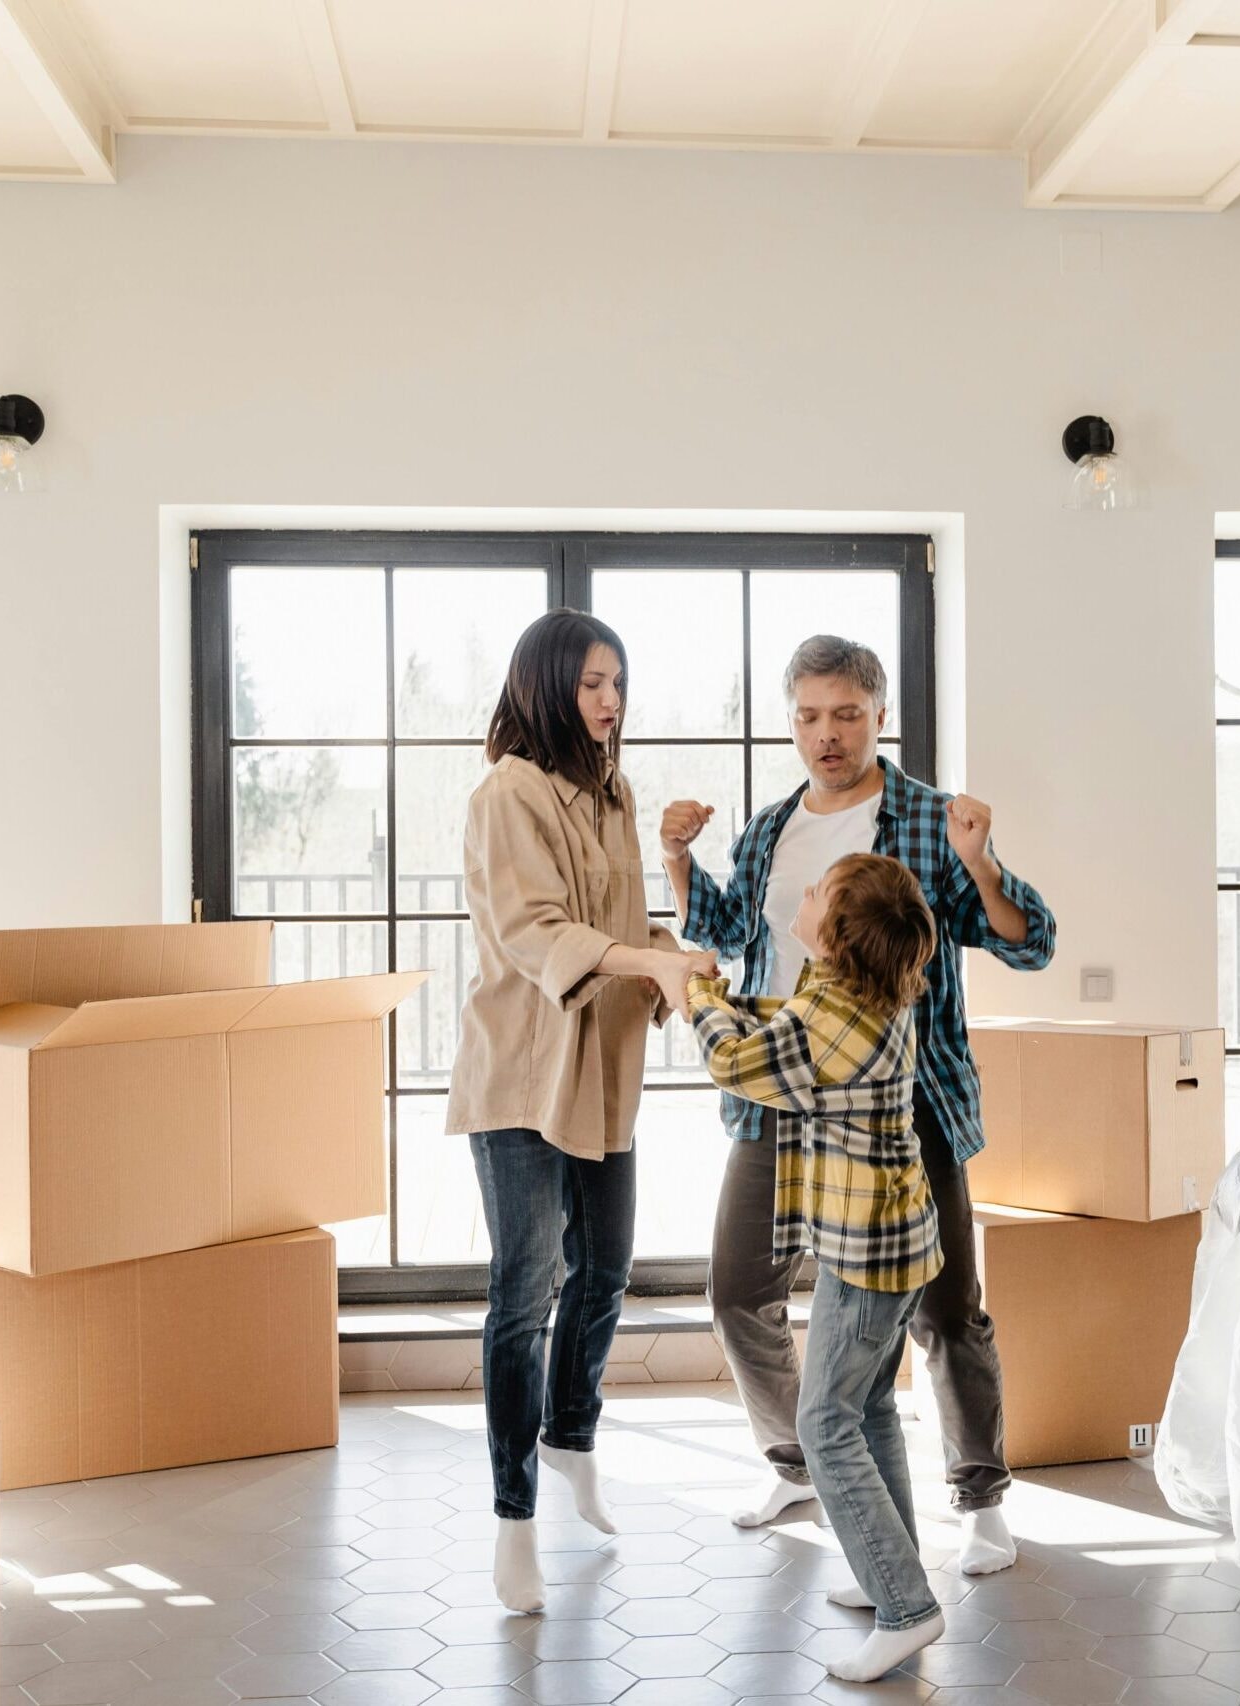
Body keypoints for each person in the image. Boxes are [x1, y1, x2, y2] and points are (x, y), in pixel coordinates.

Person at [662, 634, 1056, 1577]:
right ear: (791, 722)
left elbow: (1028, 942)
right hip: (787, 1099)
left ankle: (978, 1493)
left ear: (880, 716)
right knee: (737, 1290)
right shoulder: (769, 828)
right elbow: (723, 930)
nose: (826, 735)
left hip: (904, 1106)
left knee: (948, 1307)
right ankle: (801, 1460)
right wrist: (676, 856)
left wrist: (983, 865)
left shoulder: (929, 821)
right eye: (807, 716)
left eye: (845, 714)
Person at [446, 608, 713, 1615]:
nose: (610, 701)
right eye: (593, 683)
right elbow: (532, 930)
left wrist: (670, 949)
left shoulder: (613, 793)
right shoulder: (506, 793)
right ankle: (513, 1517)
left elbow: (611, 922)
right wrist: (645, 960)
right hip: (521, 1073)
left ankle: (570, 1438)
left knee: (603, 1269)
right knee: (525, 1291)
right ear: (547, 685)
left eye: (619, 683)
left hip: (599, 1067)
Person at [655, 853, 946, 1682]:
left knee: (823, 1425)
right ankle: (891, 1571)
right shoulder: (849, 990)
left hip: (869, 1258)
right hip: (891, 1242)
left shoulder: (838, 1020)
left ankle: (907, 1609)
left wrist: (693, 996)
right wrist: (713, 993)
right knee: (868, 1413)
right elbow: (780, 1017)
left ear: (840, 933)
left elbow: (740, 1064)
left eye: (818, 891)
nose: (806, 894)